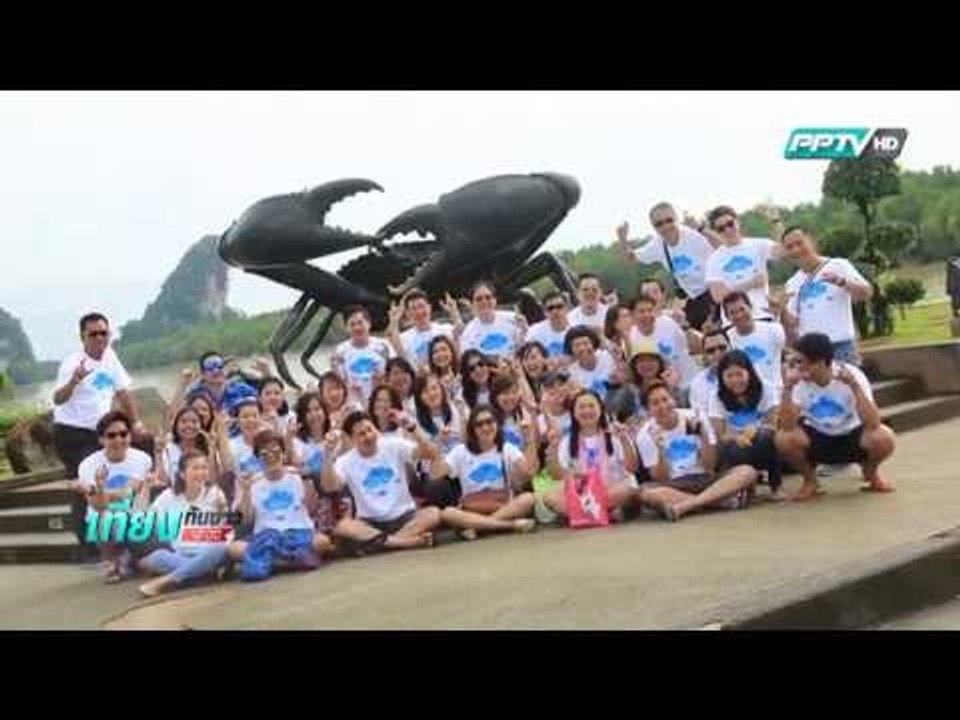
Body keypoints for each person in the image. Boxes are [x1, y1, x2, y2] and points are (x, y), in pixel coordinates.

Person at [52, 313, 142, 554]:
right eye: (94, 334)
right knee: (85, 484)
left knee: (115, 472)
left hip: (98, 432)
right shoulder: (73, 363)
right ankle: (87, 547)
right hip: (72, 433)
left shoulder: (110, 357)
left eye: (104, 333)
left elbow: (123, 392)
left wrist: (136, 423)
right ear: (83, 337)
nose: (100, 338)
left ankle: (121, 534)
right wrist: (74, 381)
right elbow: (57, 398)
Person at [775, 333, 896, 501]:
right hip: (817, 435)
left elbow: (873, 423)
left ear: (821, 362)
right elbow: (786, 426)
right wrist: (787, 389)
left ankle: (871, 474)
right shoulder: (798, 381)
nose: (798, 367)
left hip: (852, 434)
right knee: (784, 438)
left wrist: (854, 386)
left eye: (802, 362)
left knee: (884, 437)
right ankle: (810, 482)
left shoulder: (851, 374)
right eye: (796, 362)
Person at [321, 410, 443, 554]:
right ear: (351, 439)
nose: (368, 436)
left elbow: (431, 453)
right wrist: (328, 455)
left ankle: (382, 544)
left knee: (434, 513)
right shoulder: (345, 461)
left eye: (370, 430)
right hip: (370, 523)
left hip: (405, 517)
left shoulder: (393, 444)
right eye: (361, 434)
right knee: (344, 526)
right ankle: (407, 542)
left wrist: (413, 428)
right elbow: (330, 487)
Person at [635, 382, 758, 522]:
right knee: (644, 493)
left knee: (747, 472)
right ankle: (720, 502)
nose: (663, 406)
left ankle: (687, 506)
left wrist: (703, 434)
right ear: (647, 409)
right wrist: (660, 449)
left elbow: (709, 466)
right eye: (655, 403)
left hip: (705, 478)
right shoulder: (645, 434)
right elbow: (661, 478)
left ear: (673, 399)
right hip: (674, 485)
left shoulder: (695, 416)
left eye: (665, 399)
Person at [228, 430, 334, 581]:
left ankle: (270, 562)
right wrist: (245, 491)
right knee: (234, 548)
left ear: (283, 455)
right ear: (257, 458)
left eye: (276, 452)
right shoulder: (251, 482)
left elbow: (311, 509)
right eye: (265, 454)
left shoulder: (297, 475)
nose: (271, 457)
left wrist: (307, 481)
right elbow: (245, 519)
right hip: (266, 538)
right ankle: (293, 561)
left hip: (298, 533)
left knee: (322, 541)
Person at [136, 450, 232, 597]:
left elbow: (226, 530)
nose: (201, 472)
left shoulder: (215, 493)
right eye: (195, 468)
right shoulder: (169, 496)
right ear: (182, 474)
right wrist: (146, 488)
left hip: (209, 552)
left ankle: (165, 581)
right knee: (158, 556)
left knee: (219, 548)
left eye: (204, 468)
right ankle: (201, 573)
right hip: (180, 555)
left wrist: (223, 512)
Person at [76, 411, 155, 582]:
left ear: (130, 435)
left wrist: (99, 490)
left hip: (136, 517)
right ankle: (112, 561)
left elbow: (133, 493)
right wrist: (109, 493)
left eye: (123, 434)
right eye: (111, 435)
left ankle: (128, 559)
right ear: (101, 440)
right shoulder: (88, 464)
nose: (118, 439)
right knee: (104, 518)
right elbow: (98, 506)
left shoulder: (143, 459)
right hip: (103, 519)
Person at [438, 405, 538, 539]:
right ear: (472, 430)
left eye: (489, 422)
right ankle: (509, 525)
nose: (485, 428)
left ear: (497, 424)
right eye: (479, 424)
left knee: (528, 499)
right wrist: (440, 445)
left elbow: (529, 471)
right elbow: (436, 473)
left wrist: (529, 439)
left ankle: (479, 528)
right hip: (472, 510)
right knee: (447, 513)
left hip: (503, 507)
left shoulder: (507, 448)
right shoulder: (460, 451)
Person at [616, 202, 720, 330]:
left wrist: (700, 228)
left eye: (669, 220)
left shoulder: (693, 235)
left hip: (714, 292)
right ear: (653, 227)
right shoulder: (657, 245)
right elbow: (628, 259)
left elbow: (724, 246)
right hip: (694, 299)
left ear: (676, 219)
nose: (665, 227)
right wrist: (622, 238)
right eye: (659, 224)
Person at [541, 390, 640, 521]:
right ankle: (605, 515)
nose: (587, 411)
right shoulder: (567, 440)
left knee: (630, 487)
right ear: (574, 413)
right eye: (581, 407)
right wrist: (553, 449)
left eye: (591, 406)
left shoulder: (614, 434)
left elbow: (632, 468)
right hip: (583, 494)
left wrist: (624, 440)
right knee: (549, 497)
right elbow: (557, 475)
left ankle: (581, 514)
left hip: (611, 491)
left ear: (600, 409)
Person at [780, 226, 872, 366]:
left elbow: (866, 293)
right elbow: (793, 323)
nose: (796, 250)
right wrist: (781, 310)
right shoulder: (792, 283)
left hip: (841, 348)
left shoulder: (838, 265)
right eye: (790, 247)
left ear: (812, 242)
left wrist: (841, 282)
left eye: (800, 243)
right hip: (810, 354)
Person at [707, 350, 783, 499]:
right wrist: (736, 437)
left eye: (739, 374)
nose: (735, 380)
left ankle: (776, 487)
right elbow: (720, 434)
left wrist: (756, 430)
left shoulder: (766, 388)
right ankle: (747, 487)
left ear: (749, 372)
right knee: (733, 448)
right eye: (729, 376)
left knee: (768, 437)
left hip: (760, 440)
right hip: (734, 445)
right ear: (722, 378)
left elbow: (773, 424)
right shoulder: (716, 397)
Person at [704, 205, 785, 320]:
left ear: (738, 222)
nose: (727, 230)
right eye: (721, 228)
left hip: (763, 316)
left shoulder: (758, 245)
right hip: (734, 323)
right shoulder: (714, 259)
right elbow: (718, 296)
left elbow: (783, 250)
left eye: (730, 224)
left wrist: (775, 221)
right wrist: (751, 283)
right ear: (716, 231)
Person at [289, 392, 352, 535]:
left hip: (339, 487)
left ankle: (343, 523)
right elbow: (297, 467)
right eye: (308, 411)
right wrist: (288, 438)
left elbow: (347, 456)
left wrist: (343, 430)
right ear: (302, 416)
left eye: (317, 409)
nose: (314, 414)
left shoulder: (335, 435)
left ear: (324, 411)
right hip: (316, 492)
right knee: (315, 475)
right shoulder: (299, 442)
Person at [412, 373, 467, 509]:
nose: (431, 394)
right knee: (436, 487)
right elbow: (417, 455)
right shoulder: (414, 421)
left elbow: (468, 442)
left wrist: (462, 415)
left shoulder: (456, 408)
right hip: (435, 471)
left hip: (460, 466)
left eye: (435, 388)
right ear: (419, 397)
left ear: (441, 390)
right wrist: (438, 440)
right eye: (425, 391)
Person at [721, 291, 786, 396]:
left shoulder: (773, 329)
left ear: (750, 307)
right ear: (727, 317)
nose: (739, 315)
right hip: (745, 397)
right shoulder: (726, 339)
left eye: (742, 309)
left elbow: (788, 354)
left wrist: (783, 311)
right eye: (732, 312)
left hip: (775, 394)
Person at [628, 294, 697, 389]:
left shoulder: (668, 324)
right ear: (632, 315)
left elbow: (688, 347)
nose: (647, 315)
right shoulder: (631, 336)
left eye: (650, 310)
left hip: (688, 381)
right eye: (641, 311)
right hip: (661, 390)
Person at [386, 289, 463, 370]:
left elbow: (460, 336)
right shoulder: (404, 338)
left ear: (429, 307)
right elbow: (397, 348)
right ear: (407, 313)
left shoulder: (446, 329)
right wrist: (394, 321)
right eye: (413, 308)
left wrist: (455, 313)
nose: (419, 312)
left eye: (421, 306)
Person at [331, 305, 394, 404]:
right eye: (352, 324)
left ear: (369, 324)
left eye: (360, 323)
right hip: (355, 403)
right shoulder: (340, 351)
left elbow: (395, 372)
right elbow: (340, 381)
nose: (357, 328)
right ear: (346, 328)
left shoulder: (383, 345)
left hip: (383, 401)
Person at [459, 280, 526, 359]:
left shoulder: (512, 319)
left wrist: (524, 330)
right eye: (478, 299)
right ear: (473, 304)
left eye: (488, 297)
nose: (484, 301)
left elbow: (523, 348)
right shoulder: (468, 332)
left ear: (495, 300)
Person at [565, 326, 619, 401]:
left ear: (593, 344)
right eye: (577, 345)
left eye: (585, 343)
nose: (582, 348)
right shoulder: (571, 373)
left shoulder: (608, 357)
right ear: (571, 349)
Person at [689, 329, 731, 414]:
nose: (717, 354)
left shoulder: (749, 374)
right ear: (704, 355)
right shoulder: (697, 384)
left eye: (722, 348)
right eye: (711, 351)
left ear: (731, 347)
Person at [526, 291, 572, 361]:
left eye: (559, 306)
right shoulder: (534, 332)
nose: (555, 311)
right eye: (550, 308)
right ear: (544, 312)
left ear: (567, 307)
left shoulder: (577, 326)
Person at [427, 335, 462, 402]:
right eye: (435, 352)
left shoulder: (464, 373)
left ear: (451, 352)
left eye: (444, 349)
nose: (440, 354)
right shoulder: (431, 383)